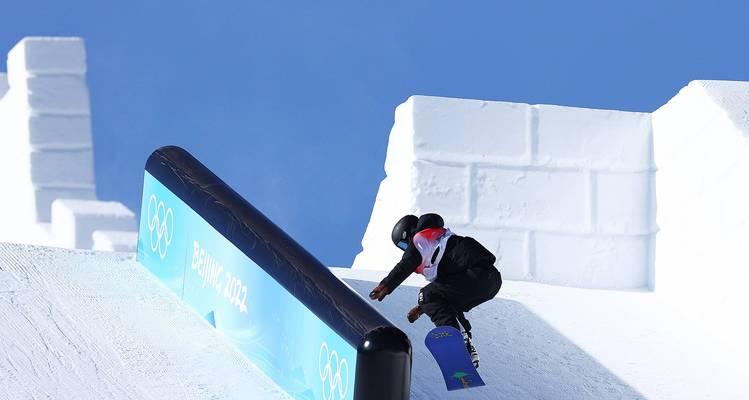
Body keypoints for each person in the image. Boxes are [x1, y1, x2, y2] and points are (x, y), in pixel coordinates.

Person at [369, 213, 502, 368]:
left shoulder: (419, 239)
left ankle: (456, 344)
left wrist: (385, 285)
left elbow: (406, 264)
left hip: (476, 274)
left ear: (407, 234)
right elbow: (442, 293)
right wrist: (422, 308)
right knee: (445, 303)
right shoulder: (439, 238)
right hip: (490, 281)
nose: (405, 249)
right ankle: (467, 350)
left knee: (426, 295)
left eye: (403, 246)